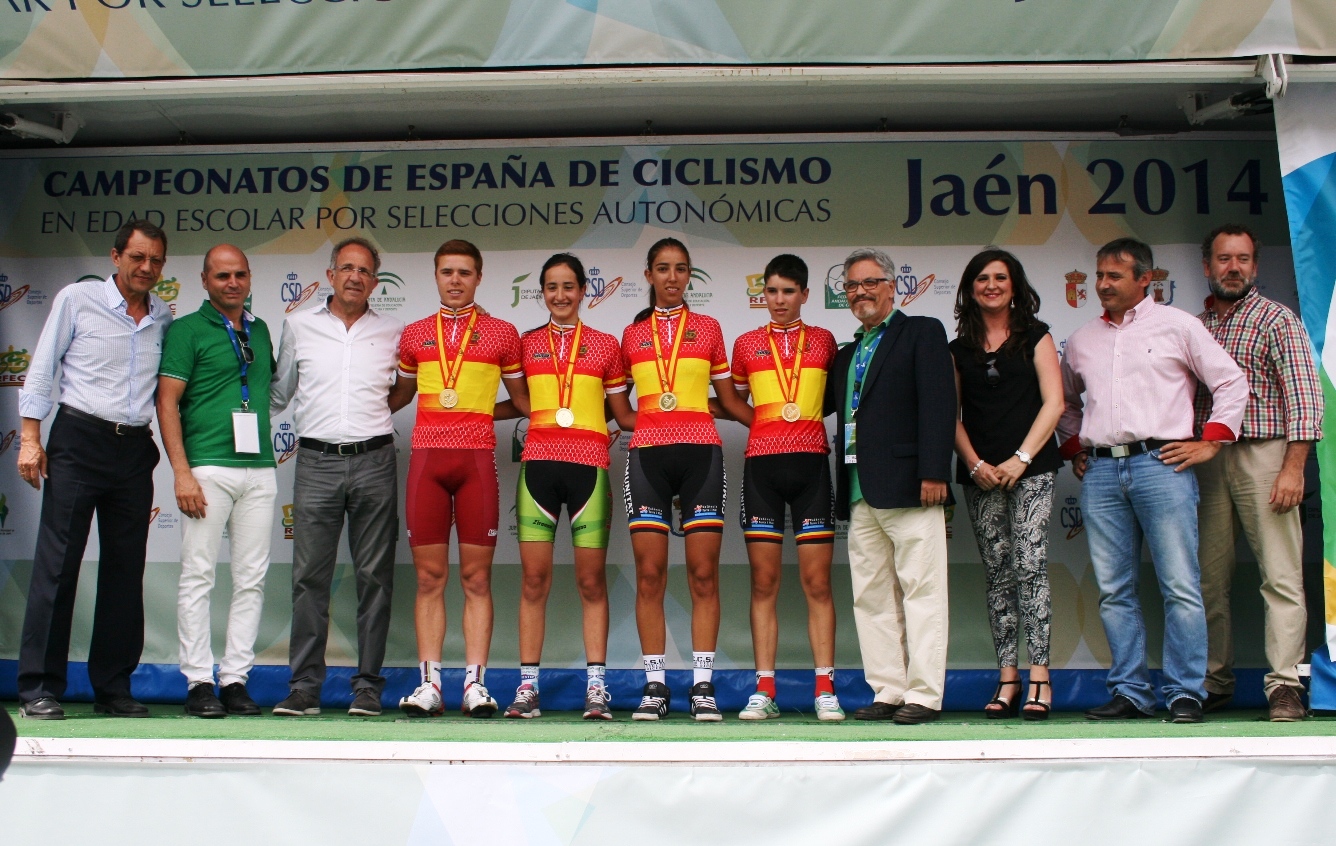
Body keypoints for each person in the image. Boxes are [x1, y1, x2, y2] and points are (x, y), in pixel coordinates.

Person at [1058, 237, 1248, 724]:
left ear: (1145, 278)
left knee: (1180, 585)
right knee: (1114, 590)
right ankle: (1131, 691)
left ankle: (1186, 692)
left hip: (1162, 464)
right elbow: (1066, 404)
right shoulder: (1081, 340)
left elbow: (1230, 381)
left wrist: (1212, 441)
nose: (1103, 284)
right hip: (1102, 472)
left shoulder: (1178, 326)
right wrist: (1077, 448)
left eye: (1114, 276)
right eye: (1099, 275)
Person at [15, 219, 173, 720]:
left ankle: (113, 687)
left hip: (133, 449)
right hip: (79, 440)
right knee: (58, 566)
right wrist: (30, 439)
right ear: (115, 256)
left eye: (155, 261)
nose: (146, 267)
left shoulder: (163, 315)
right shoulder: (75, 300)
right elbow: (42, 368)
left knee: (125, 572)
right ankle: (39, 686)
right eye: (137, 257)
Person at [270, 237, 410, 718]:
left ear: (375, 281)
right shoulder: (298, 325)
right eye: (347, 268)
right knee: (310, 578)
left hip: (375, 460)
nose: (355, 277)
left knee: (375, 578)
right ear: (330, 275)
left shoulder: (393, 331)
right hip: (316, 461)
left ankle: (367, 687)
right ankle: (304, 688)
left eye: (365, 270)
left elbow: (401, 392)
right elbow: (279, 393)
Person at [394, 239, 530, 718]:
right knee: (429, 577)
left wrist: (478, 413)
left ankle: (475, 685)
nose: (455, 280)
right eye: (447, 272)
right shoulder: (414, 334)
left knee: (476, 578)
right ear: (435, 275)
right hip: (427, 464)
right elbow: (397, 397)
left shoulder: (501, 333)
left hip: (476, 463)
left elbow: (525, 402)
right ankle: (429, 685)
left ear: (479, 277)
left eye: (465, 273)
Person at [1192, 224, 1322, 722]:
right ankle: (1214, 680)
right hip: (1208, 458)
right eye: (1224, 259)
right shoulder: (1195, 325)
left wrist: (1293, 468)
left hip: (1265, 455)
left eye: (1243, 259)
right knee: (1207, 580)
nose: (1233, 268)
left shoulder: (1276, 318)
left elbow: (1305, 397)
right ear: (1207, 266)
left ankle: (1285, 685)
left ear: (1255, 266)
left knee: (1281, 576)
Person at [621, 237, 754, 721]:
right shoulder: (632, 335)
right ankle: (655, 685)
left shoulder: (709, 328)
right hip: (647, 458)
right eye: (663, 268)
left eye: (680, 268)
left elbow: (730, 400)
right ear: (649, 275)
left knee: (703, 574)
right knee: (649, 575)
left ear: (690, 275)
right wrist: (656, 422)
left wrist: (776, 429)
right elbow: (619, 410)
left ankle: (702, 686)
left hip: (702, 456)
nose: (672, 277)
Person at [824, 247, 956, 725]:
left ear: (892, 286)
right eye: (851, 285)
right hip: (860, 490)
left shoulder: (921, 331)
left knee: (923, 592)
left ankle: (925, 695)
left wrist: (934, 471)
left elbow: (939, 403)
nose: (860, 292)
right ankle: (889, 689)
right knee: (871, 596)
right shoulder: (846, 354)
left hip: (911, 485)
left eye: (870, 282)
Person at [502, 253, 636, 721]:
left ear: (583, 291)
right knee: (534, 580)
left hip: (589, 469)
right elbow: (519, 401)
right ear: (542, 292)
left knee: (590, 581)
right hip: (538, 466)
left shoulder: (605, 345)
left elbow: (622, 412)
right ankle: (528, 687)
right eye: (551, 287)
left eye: (568, 286)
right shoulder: (525, 343)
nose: (560, 295)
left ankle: (596, 687)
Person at [157, 244, 277, 719]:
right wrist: (181, 472)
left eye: (240, 274)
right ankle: (198, 682)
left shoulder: (260, 329)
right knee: (199, 575)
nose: (232, 283)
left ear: (249, 279)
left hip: (260, 467)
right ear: (205, 281)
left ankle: (235, 680)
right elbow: (167, 402)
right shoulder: (187, 329)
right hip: (207, 467)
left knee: (251, 579)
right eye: (222, 275)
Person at [727, 254, 844, 722]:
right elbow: (733, 397)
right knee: (764, 582)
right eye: (771, 291)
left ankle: (825, 689)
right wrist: (763, 423)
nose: (779, 300)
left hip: (812, 465)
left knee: (817, 582)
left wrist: (801, 422)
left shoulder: (824, 341)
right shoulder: (746, 343)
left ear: (805, 294)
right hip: (761, 468)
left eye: (788, 291)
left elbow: (835, 397)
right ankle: (764, 690)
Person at [949, 249, 1063, 720]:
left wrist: (1022, 458)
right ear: (970, 288)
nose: (991, 285)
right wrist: (974, 463)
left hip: (1032, 469)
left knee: (1030, 566)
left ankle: (1041, 678)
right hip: (981, 475)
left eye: (1000, 277)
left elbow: (1054, 403)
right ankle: (1008, 679)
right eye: (982, 278)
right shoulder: (957, 348)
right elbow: (950, 415)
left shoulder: (1036, 335)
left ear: (1014, 285)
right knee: (998, 574)